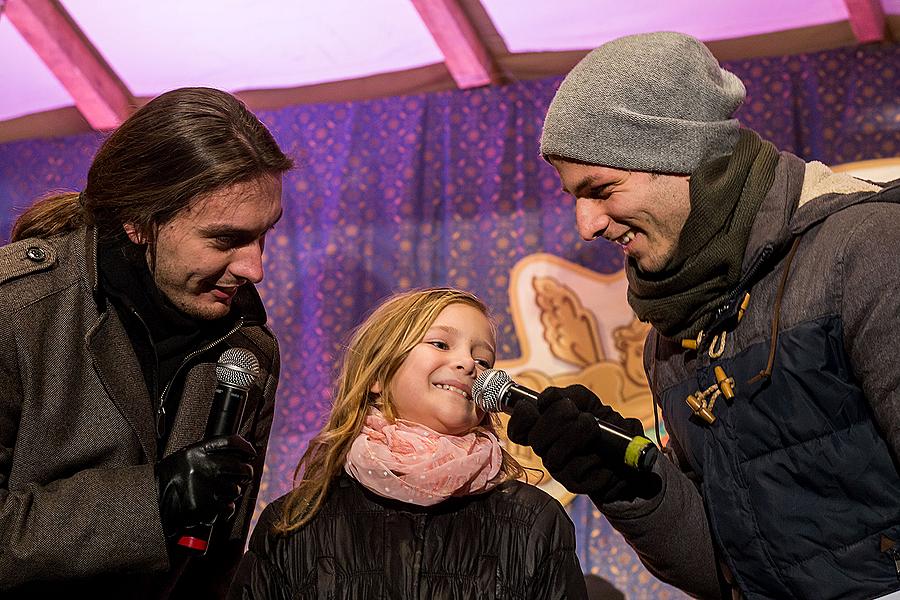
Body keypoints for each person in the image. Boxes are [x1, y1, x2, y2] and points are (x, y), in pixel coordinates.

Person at [505, 31, 900, 600]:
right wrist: (624, 480)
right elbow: (722, 569)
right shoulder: (668, 334)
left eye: (601, 188)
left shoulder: (867, 251)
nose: (586, 224)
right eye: (574, 196)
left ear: (680, 159)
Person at [0, 87, 293, 597]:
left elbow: (216, 565)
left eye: (264, 234)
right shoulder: (17, 313)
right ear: (138, 221)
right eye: (225, 239)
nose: (255, 268)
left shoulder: (248, 351)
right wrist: (154, 500)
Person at [228, 288, 588, 599]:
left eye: (483, 360)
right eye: (440, 343)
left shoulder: (534, 520)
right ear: (378, 376)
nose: (467, 363)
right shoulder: (295, 522)